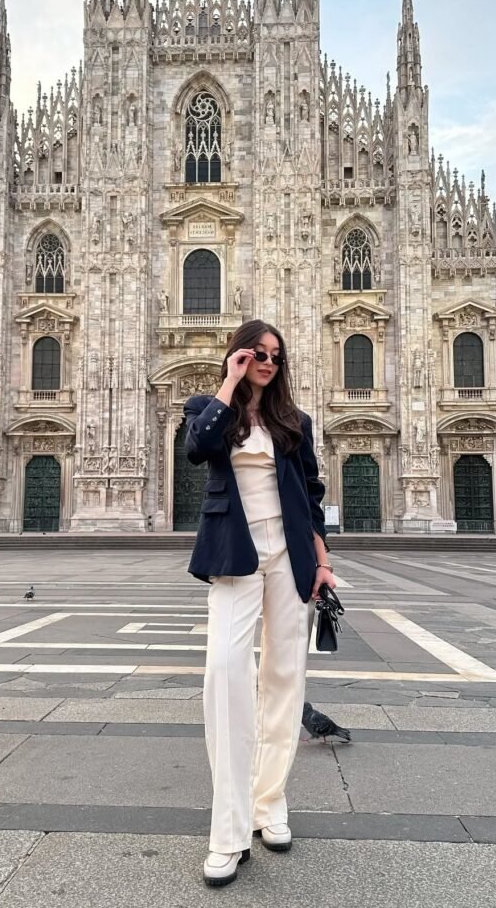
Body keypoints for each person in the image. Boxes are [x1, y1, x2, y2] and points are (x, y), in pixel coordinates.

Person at [183, 319, 332, 888]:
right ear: (239, 355)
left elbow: (312, 497)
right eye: (257, 353)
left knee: (284, 678)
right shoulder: (209, 408)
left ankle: (269, 803)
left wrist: (322, 562)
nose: (268, 362)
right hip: (235, 552)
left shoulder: (296, 422)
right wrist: (230, 381)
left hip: (290, 556)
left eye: (276, 356)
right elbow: (198, 449)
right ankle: (228, 831)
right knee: (224, 673)